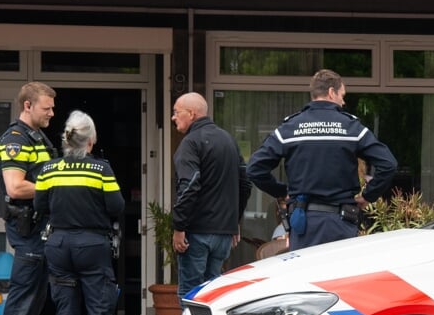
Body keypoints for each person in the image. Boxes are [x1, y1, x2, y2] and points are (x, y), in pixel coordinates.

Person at [245, 69, 397, 249]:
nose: (343, 101)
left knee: (304, 275)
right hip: (340, 223)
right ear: (332, 92)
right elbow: (388, 164)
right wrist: (367, 196)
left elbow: (254, 169)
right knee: (338, 276)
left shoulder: (290, 128)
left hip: (304, 224)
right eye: (342, 95)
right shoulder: (351, 127)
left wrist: (281, 191)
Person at [35, 110, 125, 315]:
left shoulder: (48, 170)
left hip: (59, 245)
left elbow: (39, 207)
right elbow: (117, 207)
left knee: (65, 311)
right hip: (92, 245)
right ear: (91, 140)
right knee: (99, 309)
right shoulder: (101, 169)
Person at [0, 81, 58, 315]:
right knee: (24, 293)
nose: (52, 113)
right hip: (28, 229)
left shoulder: (37, 138)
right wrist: (58, 186)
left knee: (35, 295)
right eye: (47, 108)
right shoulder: (15, 140)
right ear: (28, 106)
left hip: (40, 228)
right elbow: (15, 186)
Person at [170, 93, 250, 298]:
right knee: (212, 293)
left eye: (176, 112)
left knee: (191, 295)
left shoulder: (190, 143)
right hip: (223, 234)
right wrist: (234, 221)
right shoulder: (228, 140)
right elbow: (245, 183)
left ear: (192, 113)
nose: (173, 117)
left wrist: (179, 226)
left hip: (197, 232)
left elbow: (189, 186)